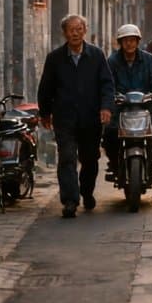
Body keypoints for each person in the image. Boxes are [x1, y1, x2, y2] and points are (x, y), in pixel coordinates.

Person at [37, 14, 115, 218]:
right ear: (64, 33)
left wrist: (106, 107)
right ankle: (70, 200)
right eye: (71, 29)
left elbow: (107, 84)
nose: (75, 33)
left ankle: (86, 192)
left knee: (90, 159)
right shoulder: (55, 58)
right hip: (65, 118)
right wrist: (45, 112)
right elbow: (46, 87)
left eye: (79, 29)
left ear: (85, 31)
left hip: (91, 117)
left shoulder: (97, 55)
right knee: (67, 158)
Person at [105, 23, 152, 171]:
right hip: (121, 105)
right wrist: (110, 96)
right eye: (125, 40)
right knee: (109, 130)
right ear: (120, 42)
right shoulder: (112, 61)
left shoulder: (149, 59)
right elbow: (107, 83)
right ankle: (114, 162)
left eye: (132, 40)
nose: (129, 43)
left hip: (146, 103)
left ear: (138, 41)